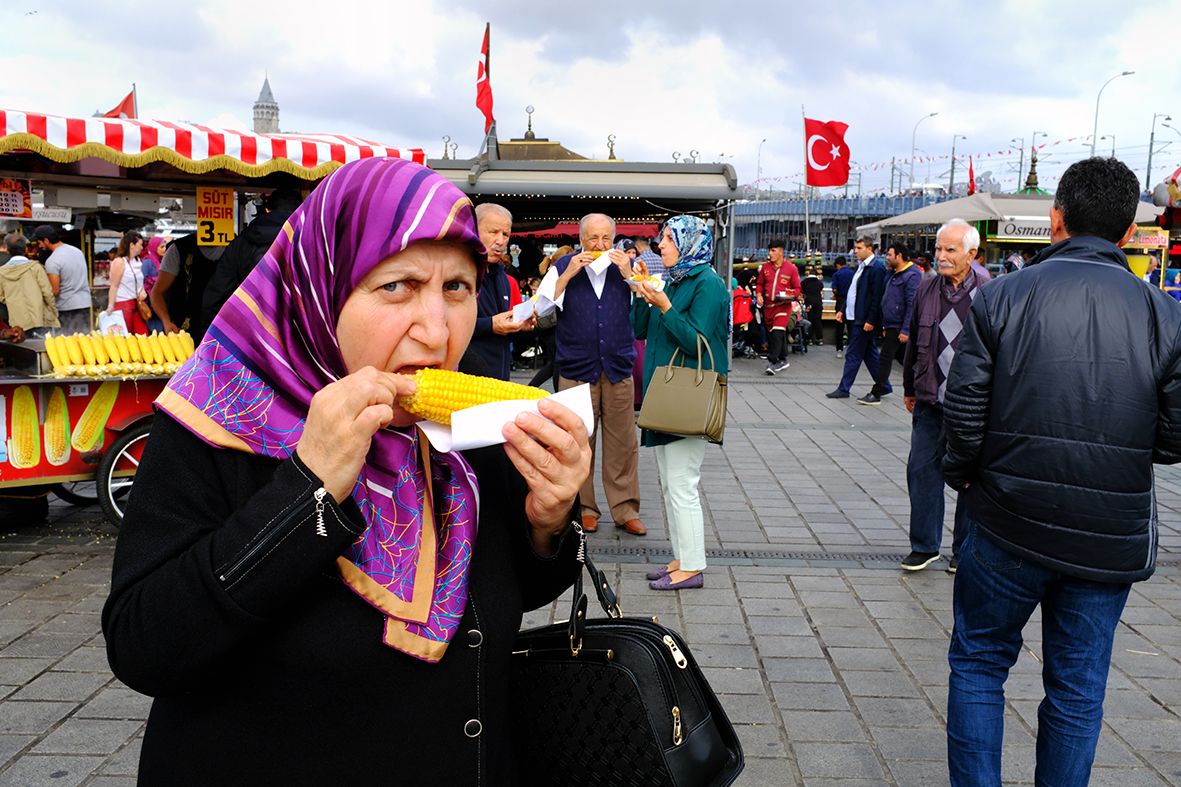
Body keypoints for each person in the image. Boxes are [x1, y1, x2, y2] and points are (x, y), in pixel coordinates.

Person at [102, 158, 589, 784]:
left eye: (458, 288)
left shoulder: (470, 434)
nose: (436, 329)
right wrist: (305, 489)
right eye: (398, 287)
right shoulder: (216, 419)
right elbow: (145, 647)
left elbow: (509, 593)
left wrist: (547, 524)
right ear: (319, 287)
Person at [941, 157, 1181, 785]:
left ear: (1056, 219)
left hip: (1005, 517)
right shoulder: (1164, 314)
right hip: (1108, 532)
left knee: (979, 662)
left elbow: (962, 413)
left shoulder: (1001, 297)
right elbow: (1176, 436)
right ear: (1128, 232)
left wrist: (966, 477)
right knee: (1077, 688)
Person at [631, 216, 728, 590]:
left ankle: (692, 566)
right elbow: (639, 329)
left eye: (669, 238)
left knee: (683, 483)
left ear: (690, 242)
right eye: (662, 238)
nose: (662, 245)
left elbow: (696, 342)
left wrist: (666, 305)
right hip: (667, 394)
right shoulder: (676, 279)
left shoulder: (708, 284)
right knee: (671, 485)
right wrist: (643, 294)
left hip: (689, 394)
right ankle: (682, 558)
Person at [537, 213, 645, 536]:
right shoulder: (562, 266)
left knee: (623, 442)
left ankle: (625, 509)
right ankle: (584, 508)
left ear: (614, 239)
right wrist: (567, 274)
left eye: (606, 239)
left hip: (617, 366)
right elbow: (541, 309)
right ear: (581, 238)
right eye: (593, 239)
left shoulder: (627, 266)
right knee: (577, 441)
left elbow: (647, 303)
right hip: (576, 368)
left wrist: (630, 276)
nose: (599, 245)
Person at [899, 219, 985, 573]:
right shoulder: (926, 287)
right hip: (930, 400)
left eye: (950, 249)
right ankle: (924, 545)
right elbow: (915, 336)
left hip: (972, 405)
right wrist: (908, 387)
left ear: (972, 253)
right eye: (939, 248)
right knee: (921, 472)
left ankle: (963, 550)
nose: (942, 256)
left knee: (971, 480)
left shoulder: (990, 291)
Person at [199, 188, 302, 330]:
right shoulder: (310, 242)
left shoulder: (241, 243)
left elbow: (218, 291)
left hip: (247, 331)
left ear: (267, 209)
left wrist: (209, 332)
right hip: (294, 333)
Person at [463, 203, 534, 380]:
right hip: (465, 380)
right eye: (493, 232)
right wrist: (490, 325)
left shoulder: (503, 276)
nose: (501, 241)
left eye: (505, 234)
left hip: (499, 378)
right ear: (474, 230)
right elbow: (444, 324)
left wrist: (520, 326)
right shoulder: (457, 271)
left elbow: (502, 329)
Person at [826, 237, 886, 399]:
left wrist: (871, 320)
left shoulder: (876, 269)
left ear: (869, 249)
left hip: (863, 319)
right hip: (855, 317)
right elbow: (853, 291)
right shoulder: (861, 267)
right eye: (856, 248)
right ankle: (884, 384)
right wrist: (843, 309)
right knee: (869, 353)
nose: (856, 251)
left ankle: (844, 389)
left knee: (853, 353)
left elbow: (876, 297)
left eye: (859, 248)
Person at [860, 243, 920, 405]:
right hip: (891, 323)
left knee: (885, 358)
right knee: (905, 359)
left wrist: (906, 329)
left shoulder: (912, 275)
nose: (886, 257)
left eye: (889, 255)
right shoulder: (894, 273)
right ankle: (921, 385)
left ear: (899, 256)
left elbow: (911, 304)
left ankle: (877, 392)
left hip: (899, 325)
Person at [149, 233, 226, 341]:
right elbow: (157, 293)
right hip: (184, 332)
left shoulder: (236, 247)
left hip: (224, 332)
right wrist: (167, 322)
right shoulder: (179, 249)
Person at [31, 225, 91, 334]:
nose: (39, 246)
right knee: (83, 341)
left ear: (46, 240)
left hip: (67, 308)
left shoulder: (52, 261)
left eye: (39, 242)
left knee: (68, 345)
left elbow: (55, 291)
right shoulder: (77, 251)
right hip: (85, 304)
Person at [755, 240, 801, 375]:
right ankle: (784, 359)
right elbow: (759, 284)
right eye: (770, 250)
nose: (770, 253)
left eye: (773, 250)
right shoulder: (765, 268)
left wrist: (790, 295)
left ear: (781, 252)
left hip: (783, 306)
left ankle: (772, 362)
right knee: (773, 335)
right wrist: (759, 295)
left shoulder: (791, 268)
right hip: (768, 307)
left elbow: (797, 288)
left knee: (777, 332)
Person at [0, 233, 59, 338]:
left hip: (16, 322)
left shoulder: (1, 272)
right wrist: (53, 312)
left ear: (8, 250)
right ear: (26, 249)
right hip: (39, 318)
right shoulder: (36, 268)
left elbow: (1, 296)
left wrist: (12, 300)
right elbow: (47, 293)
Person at [105, 231, 149, 335]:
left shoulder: (138, 262)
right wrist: (111, 305)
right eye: (140, 244)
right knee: (124, 337)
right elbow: (114, 285)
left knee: (142, 336)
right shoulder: (119, 262)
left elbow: (140, 282)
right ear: (132, 245)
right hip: (123, 305)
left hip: (137, 304)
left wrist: (143, 291)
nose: (142, 247)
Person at [830, 256, 853, 357]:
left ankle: (839, 350)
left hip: (840, 300)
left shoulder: (837, 274)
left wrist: (835, 295)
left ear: (838, 265)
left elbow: (834, 289)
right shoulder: (853, 273)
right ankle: (851, 348)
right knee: (851, 326)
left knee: (839, 325)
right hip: (851, 301)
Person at [801, 264, 824, 346]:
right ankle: (819, 338)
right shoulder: (819, 283)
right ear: (816, 275)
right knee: (818, 320)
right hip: (818, 302)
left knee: (809, 320)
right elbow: (821, 289)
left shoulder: (803, 282)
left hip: (808, 302)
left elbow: (802, 291)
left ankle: (809, 339)